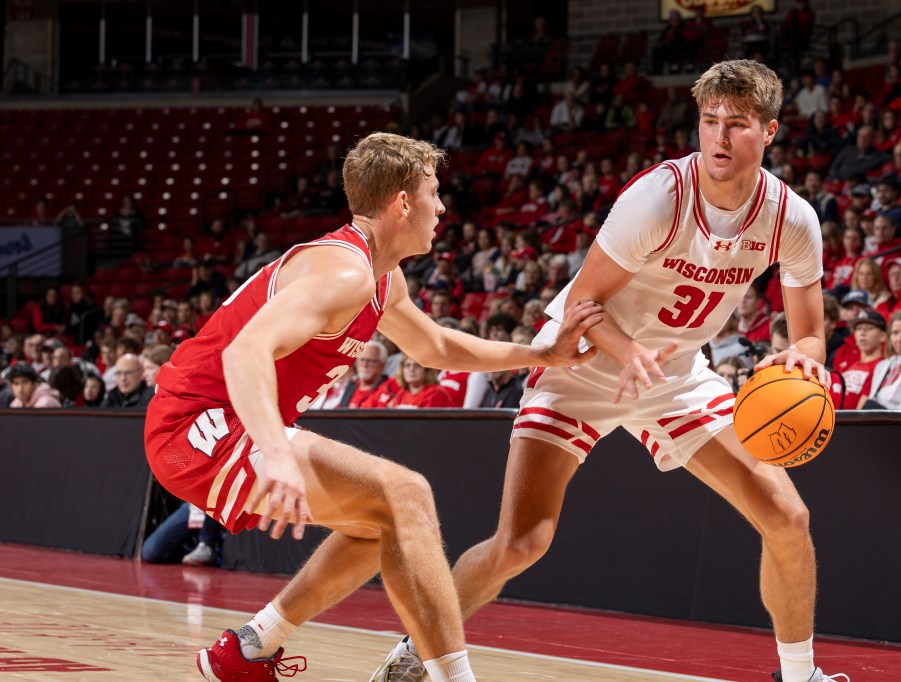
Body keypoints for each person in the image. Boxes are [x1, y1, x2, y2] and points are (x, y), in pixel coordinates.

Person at [372, 59, 845, 682]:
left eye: (737, 124)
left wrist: (801, 359)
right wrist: (630, 352)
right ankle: (417, 649)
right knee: (522, 543)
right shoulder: (660, 196)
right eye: (709, 122)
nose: (720, 137)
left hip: (674, 374)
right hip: (584, 363)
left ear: (771, 131)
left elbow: (810, 333)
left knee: (788, 517)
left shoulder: (792, 218)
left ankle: (800, 675)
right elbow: (580, 305)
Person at [144, 132, 602, 682]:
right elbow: (246, 353)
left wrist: (542, 352)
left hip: (223, 423)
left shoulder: (383, 277)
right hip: (198, 425)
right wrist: (277, 453)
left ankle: (249, 648)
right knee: (406, 493)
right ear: (402, 203)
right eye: (434, 192)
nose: (442, 206)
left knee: (379, 525)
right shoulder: (344, 272)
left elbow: (435, 347)